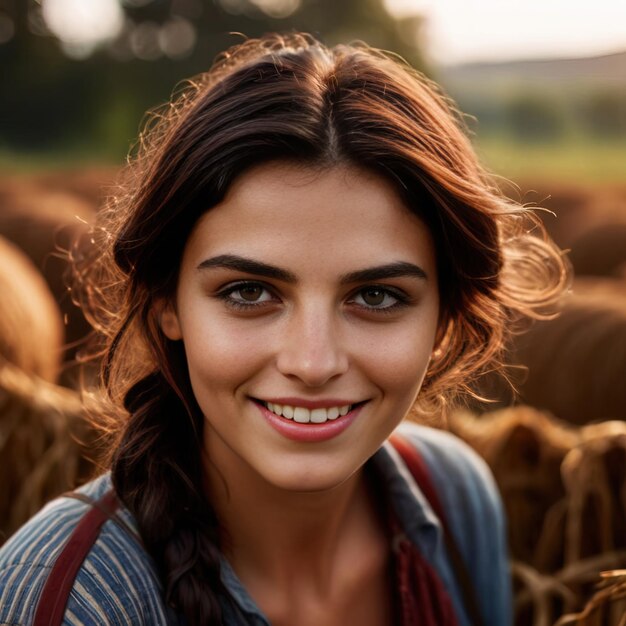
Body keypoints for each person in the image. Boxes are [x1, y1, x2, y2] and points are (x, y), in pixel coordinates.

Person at [0, 33, 566, 625]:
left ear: (446, 318)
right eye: (249, 292)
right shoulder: (70, 603)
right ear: (168, 301)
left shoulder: (455, 500)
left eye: (376, 295)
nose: (313, 362)